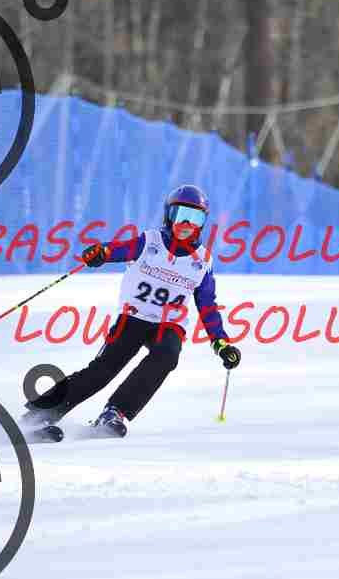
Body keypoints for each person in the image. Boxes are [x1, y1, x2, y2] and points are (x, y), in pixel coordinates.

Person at [23, 184, 242, 439]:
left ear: (202, 223)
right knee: (103, 371)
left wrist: (221, 342)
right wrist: (101, 252)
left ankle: (116, 412)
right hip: (133, 318)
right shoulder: (150, 242)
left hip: (168, 325)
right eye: (181, 214)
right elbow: (119, 250)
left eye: (195, 217)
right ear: (168, 216)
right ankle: (38, 415)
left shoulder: (202, 261)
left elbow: (207, 305)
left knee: (167, 355)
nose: (186, 223)